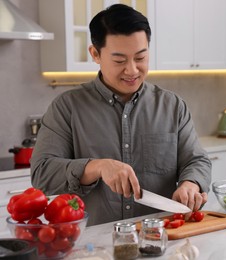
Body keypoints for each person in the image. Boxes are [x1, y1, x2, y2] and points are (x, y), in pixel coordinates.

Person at [30, 4, 212, 226]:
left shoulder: (173, 106)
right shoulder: (66, 107)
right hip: (95, 247)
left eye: (140, 57)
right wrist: (96, 167)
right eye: (120, 61)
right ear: (95, 54)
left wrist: (191, 183)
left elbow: (196, 160)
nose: (132, 70)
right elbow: (42, 174)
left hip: (161, 239)